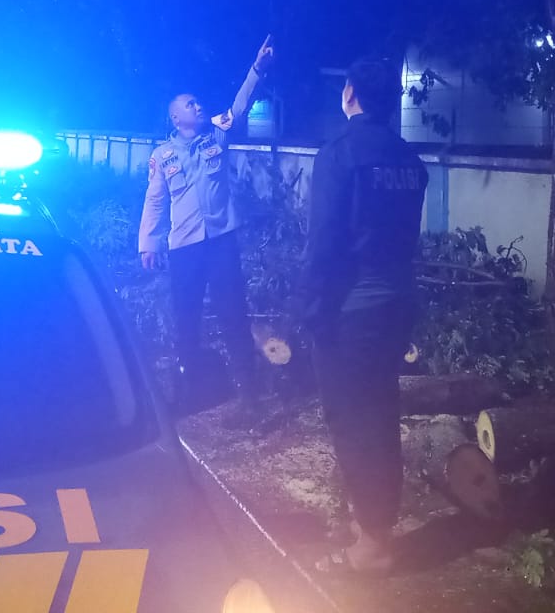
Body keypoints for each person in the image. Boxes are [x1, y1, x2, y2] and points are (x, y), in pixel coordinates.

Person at [300, 57, 428, 574]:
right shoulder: (409, 159)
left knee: (354, 422)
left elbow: (323, 245)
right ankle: (372, 525)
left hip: (350, 313)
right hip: (395, 304)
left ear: (350, 93)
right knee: (380, 413)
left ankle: (373, 546)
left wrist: (311, 312)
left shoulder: (340, 156)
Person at [139, 35, 274, 416]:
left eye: (198, 103)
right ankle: (189, 394)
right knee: (186, 320)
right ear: (175, 117)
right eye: (190, 104)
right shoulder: (162, 155)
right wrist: (148, 242)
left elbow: (240, 107)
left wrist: (257, 69)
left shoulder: (215, 134)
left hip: (221, 241)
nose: (198, 106)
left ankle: (249, 397)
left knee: (234, 315)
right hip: (184, 247)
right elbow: (155, 200)